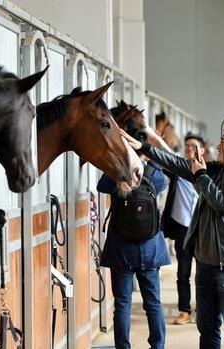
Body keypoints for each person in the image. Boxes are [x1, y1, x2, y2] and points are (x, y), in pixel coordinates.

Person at [123, 121, 224, 349]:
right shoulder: (214, 170)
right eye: (222, 138)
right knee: (207, 329)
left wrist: (201, 175)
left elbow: (221, 203)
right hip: (205, 265)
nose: (220, 144)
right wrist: (145, 147)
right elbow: (179, 164)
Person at [98, 129, 169, 349]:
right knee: (153, 304)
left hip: (121, 249)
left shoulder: (118, 173)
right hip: (150, 249)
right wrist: (152, 159)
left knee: (122, 304)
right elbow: (164, 183)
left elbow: (101, 186)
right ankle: (157, 346)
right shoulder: (153, 175)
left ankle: (123, 347)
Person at [161, 133, 202, 325]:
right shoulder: (177, 171)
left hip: (202, 232)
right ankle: (185, 310)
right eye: (186, 146)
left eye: (193, 146)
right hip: (182, 231)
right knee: (183, 274)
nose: (189, 149)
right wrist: (155, 140)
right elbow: (162, 157)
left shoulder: (208, 172)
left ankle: (202, 310)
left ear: (202, 150)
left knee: (203, 275)